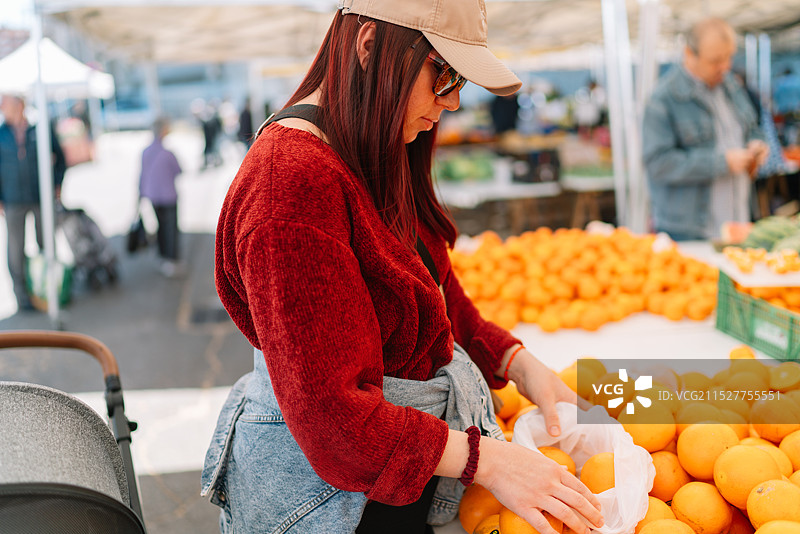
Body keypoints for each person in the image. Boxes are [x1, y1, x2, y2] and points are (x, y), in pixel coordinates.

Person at [201, 2, 605, 534]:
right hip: (327, 503)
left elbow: (431, 291)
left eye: (461, 79)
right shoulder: (292, 185)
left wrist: (519, 364)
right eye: (445, 74)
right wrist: (490, 461)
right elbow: (336, 423)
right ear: (370, 46)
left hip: (389, 482)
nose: (454, 100)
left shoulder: (371, 144)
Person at [642, 18, 769, 241]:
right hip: (689, 231)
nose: (725, 66)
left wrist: (757, 144)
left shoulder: (730, 85)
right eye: (715, 60)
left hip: (737, 218)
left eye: (729, 57)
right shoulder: (663, 99)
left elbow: (752, 128)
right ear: (689, 54)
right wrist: (722, 162)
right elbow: (658, 164)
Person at [0, 94, 66, 312]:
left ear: (20, 104)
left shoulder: (40, 128)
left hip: (40, 196)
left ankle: (50, 290)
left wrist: (57, 185)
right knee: (15, 250)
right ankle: (23, 297)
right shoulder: (1, 133)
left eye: (6, 103)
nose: (2, 107)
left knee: (46, 243)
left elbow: (60, 158)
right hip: (12, 199)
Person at [138, 117, 183, 277]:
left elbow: (142, 175)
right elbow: (179, 170)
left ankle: (162, 257)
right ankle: (171, 260)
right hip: (168, 196)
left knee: (160, 228)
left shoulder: (146, 152)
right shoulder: (167, 154)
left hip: (153, 196)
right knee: (170, 229)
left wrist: (140, 194)